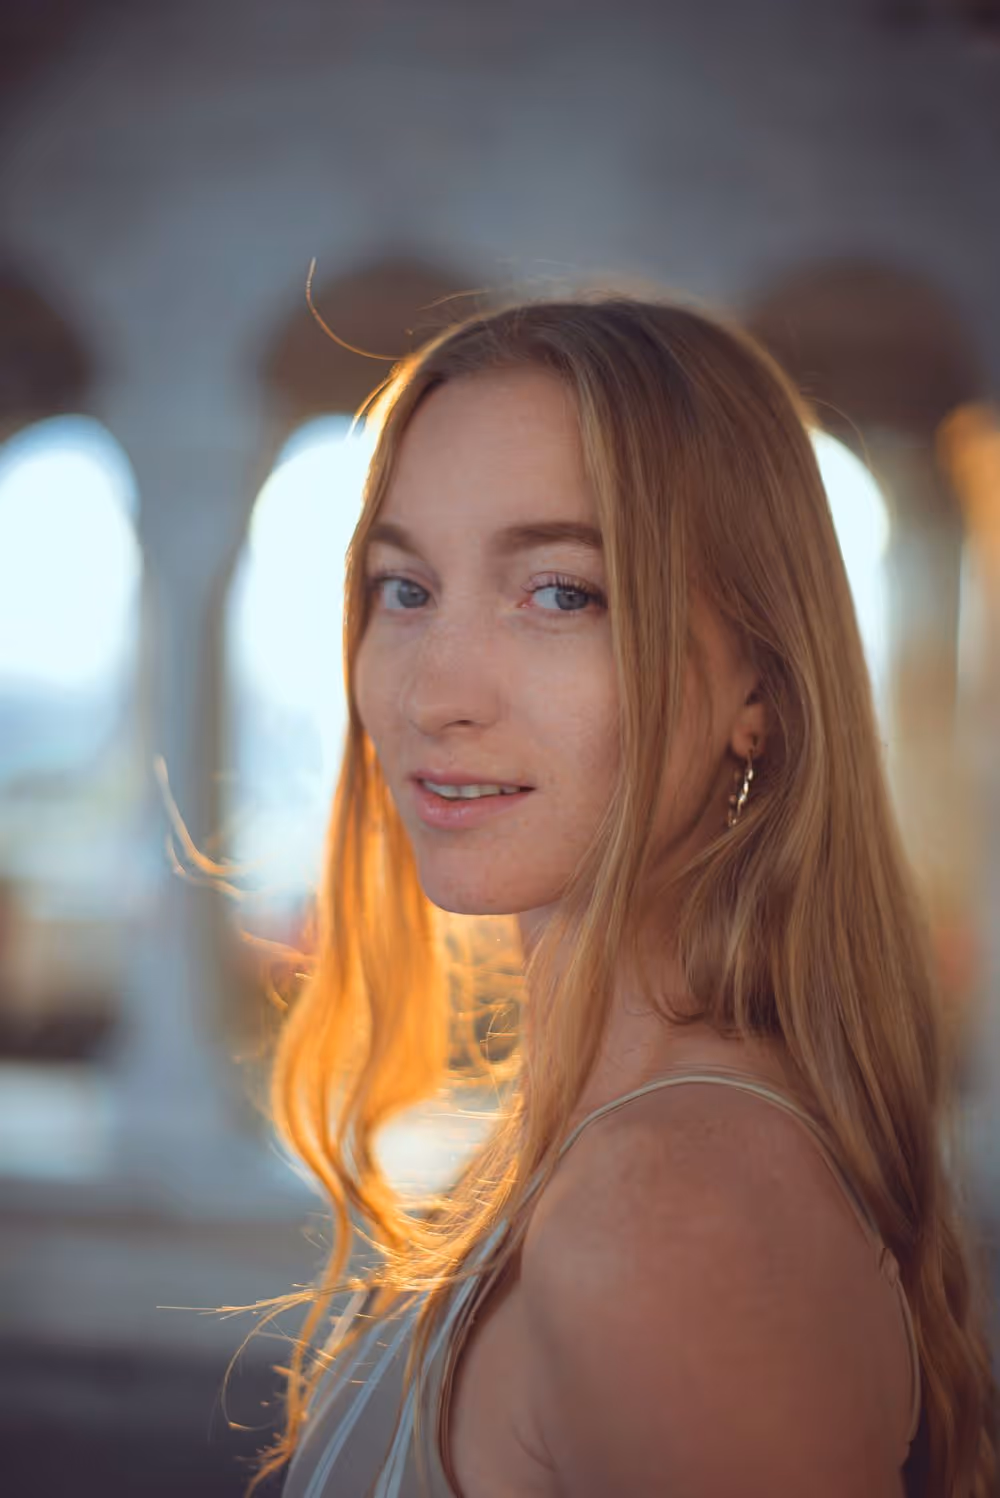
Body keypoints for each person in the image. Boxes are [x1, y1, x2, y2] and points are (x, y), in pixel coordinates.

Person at [241, 296, 998, 1497]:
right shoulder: (625, 1146)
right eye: (405, 587)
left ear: (759, 681)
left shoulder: (664, 1209)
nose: (436, 689)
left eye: (560, 593)